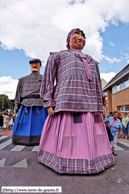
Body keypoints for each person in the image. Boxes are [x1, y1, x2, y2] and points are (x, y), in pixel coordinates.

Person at [38, 28, 115, 174]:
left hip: (90, 105)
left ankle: (93, 161)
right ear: (68, 40)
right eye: (76, 35)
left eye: (83, 36)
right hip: (66, 101)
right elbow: (48, 79)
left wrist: (101, 99)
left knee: (91, 136)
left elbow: (98, 83)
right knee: (67, 136)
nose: (80, 38)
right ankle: (63, 162)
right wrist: (48, 101)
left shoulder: (93, 61)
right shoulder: (58, 56)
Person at [12, 59, 48, 146]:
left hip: (41, 105)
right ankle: (22, 139)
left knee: (42, 125)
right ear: (30, 66)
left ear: (40, 66)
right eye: (32, 64)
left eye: (36, 63)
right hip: (26, 105)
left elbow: (49, 93)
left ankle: (44, 140)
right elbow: (18, 94)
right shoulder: (22, 80)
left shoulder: (45, 79)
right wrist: (16, 105)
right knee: (24, 123)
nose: (34, 65)